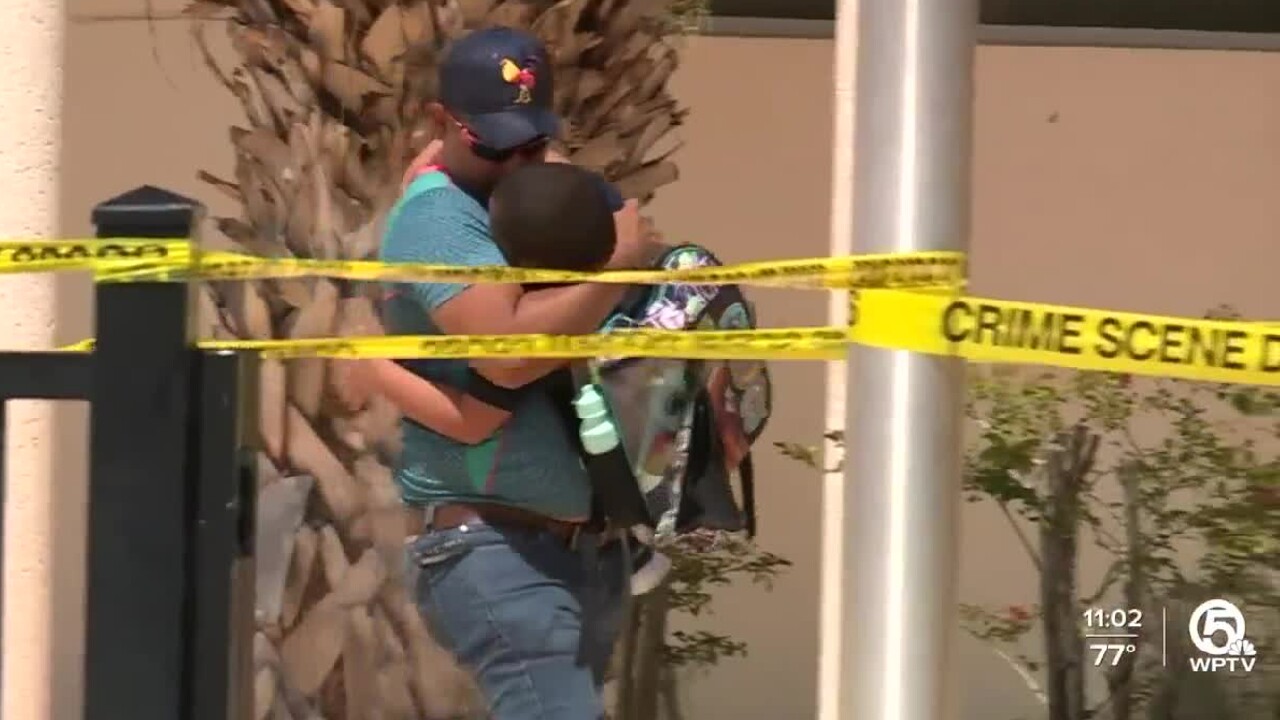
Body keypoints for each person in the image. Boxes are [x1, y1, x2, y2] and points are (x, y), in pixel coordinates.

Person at [370, 27, 652, 720]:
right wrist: (618, 267)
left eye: (531, 145)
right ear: (442, 121)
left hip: (579, 551)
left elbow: (629, 219)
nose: (515, 165)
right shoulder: (438, 217)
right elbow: (510, 353)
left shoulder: (531, 194)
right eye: (493, 145)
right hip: (492, 549)